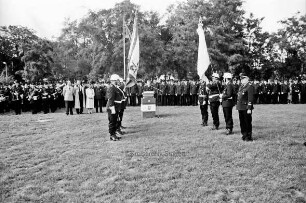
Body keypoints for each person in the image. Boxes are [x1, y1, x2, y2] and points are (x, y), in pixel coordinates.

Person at [236, 72, 254, 141]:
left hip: (246, 107)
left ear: (247, 79)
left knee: (247, 122)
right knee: (242, 122)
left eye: (243, 79)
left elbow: (250, 98)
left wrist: (249, 108)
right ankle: (244, 134)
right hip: (240, 107)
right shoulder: (241, 86)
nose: (241, 80)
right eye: (241, 79)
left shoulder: (249, 86)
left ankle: (248, 136)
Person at [106, 74, 122, 141]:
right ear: (114, 81)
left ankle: (114, 134)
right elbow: (111, 99)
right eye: (117, 80)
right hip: (113, 107)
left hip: (116, 107)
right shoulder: (111, 88)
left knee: (115, 121)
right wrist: (112, 109)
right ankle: (112, 135)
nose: (118, 81)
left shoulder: (115, 87)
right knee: (112, 121)